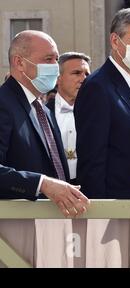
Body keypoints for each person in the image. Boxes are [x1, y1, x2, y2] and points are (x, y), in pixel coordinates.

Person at [0, 30, 89, 214]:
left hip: (52, 221)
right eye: (48, 59)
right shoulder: (4, 103)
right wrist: (42, 184)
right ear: (19, 63)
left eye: (56, 59)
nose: (55, 67)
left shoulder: (42, 108)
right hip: (16, 226)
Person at [74, 8, 130, 199]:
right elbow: (92, 156)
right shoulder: (97, 87)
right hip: (115, 203)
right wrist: (99, 210)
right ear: (115, 41)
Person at [46, 52, 91, 182]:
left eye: (87, 74)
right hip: (52, 190)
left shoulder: (98, 112)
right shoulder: (42, 113)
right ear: (58, 78)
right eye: (77, 73)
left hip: (90, 189)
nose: (84, 78)